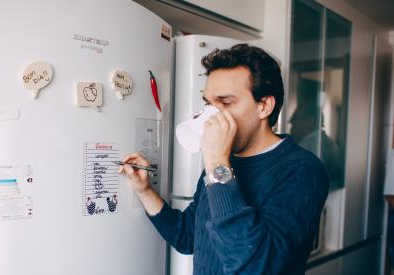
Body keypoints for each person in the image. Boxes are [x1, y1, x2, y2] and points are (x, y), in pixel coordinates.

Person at [120, 44, 329, 274]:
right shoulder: (222, 163)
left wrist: (218, 164)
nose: (212, 115)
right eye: (209, 103)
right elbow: (189, 236)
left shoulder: (303, 171)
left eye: (226, 102)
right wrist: (144, 190)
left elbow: (258, 267)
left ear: (264, 106)